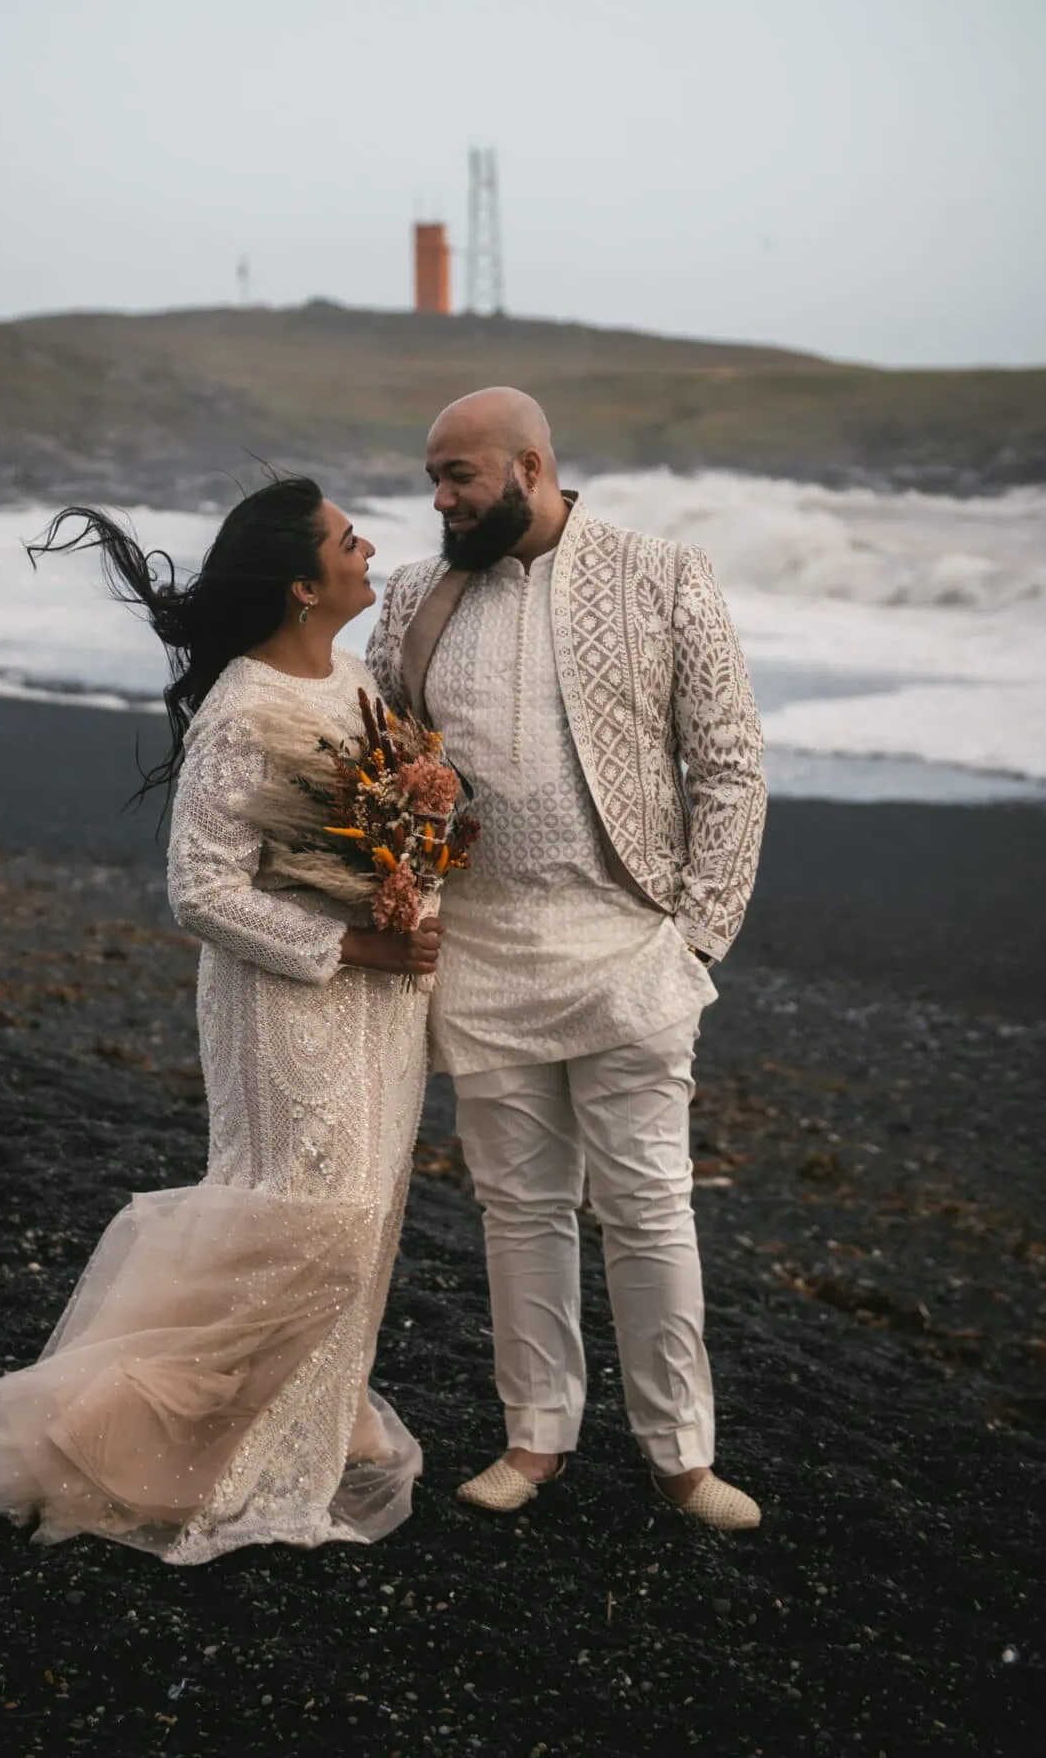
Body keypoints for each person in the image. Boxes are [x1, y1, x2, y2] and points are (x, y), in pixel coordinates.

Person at [0, 476, 438, 1564]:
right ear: (303, 585)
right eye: (349, 538)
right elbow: (199, 888)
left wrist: (405, 897)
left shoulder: (354, 679)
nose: (369, 543)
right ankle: (109, 1435)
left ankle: (297, 1427)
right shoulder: (245, 710)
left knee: (370, 1215)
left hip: (383, 1005)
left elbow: (364, 838)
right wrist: (351, 941)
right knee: (310, 1216)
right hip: (286, 1000)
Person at [367, 391, 767, 1530]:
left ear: (531, 466)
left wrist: (696, 935)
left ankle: (683, 1458)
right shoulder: (412, 596)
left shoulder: (661, 574)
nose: (439, 500)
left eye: (458, 476)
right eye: (432, 478)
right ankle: (534, 1436)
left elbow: (730, 762)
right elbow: (382, 757)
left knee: (648, 1203)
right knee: (517, 1205)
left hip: (628, 945)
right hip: (480, 953)